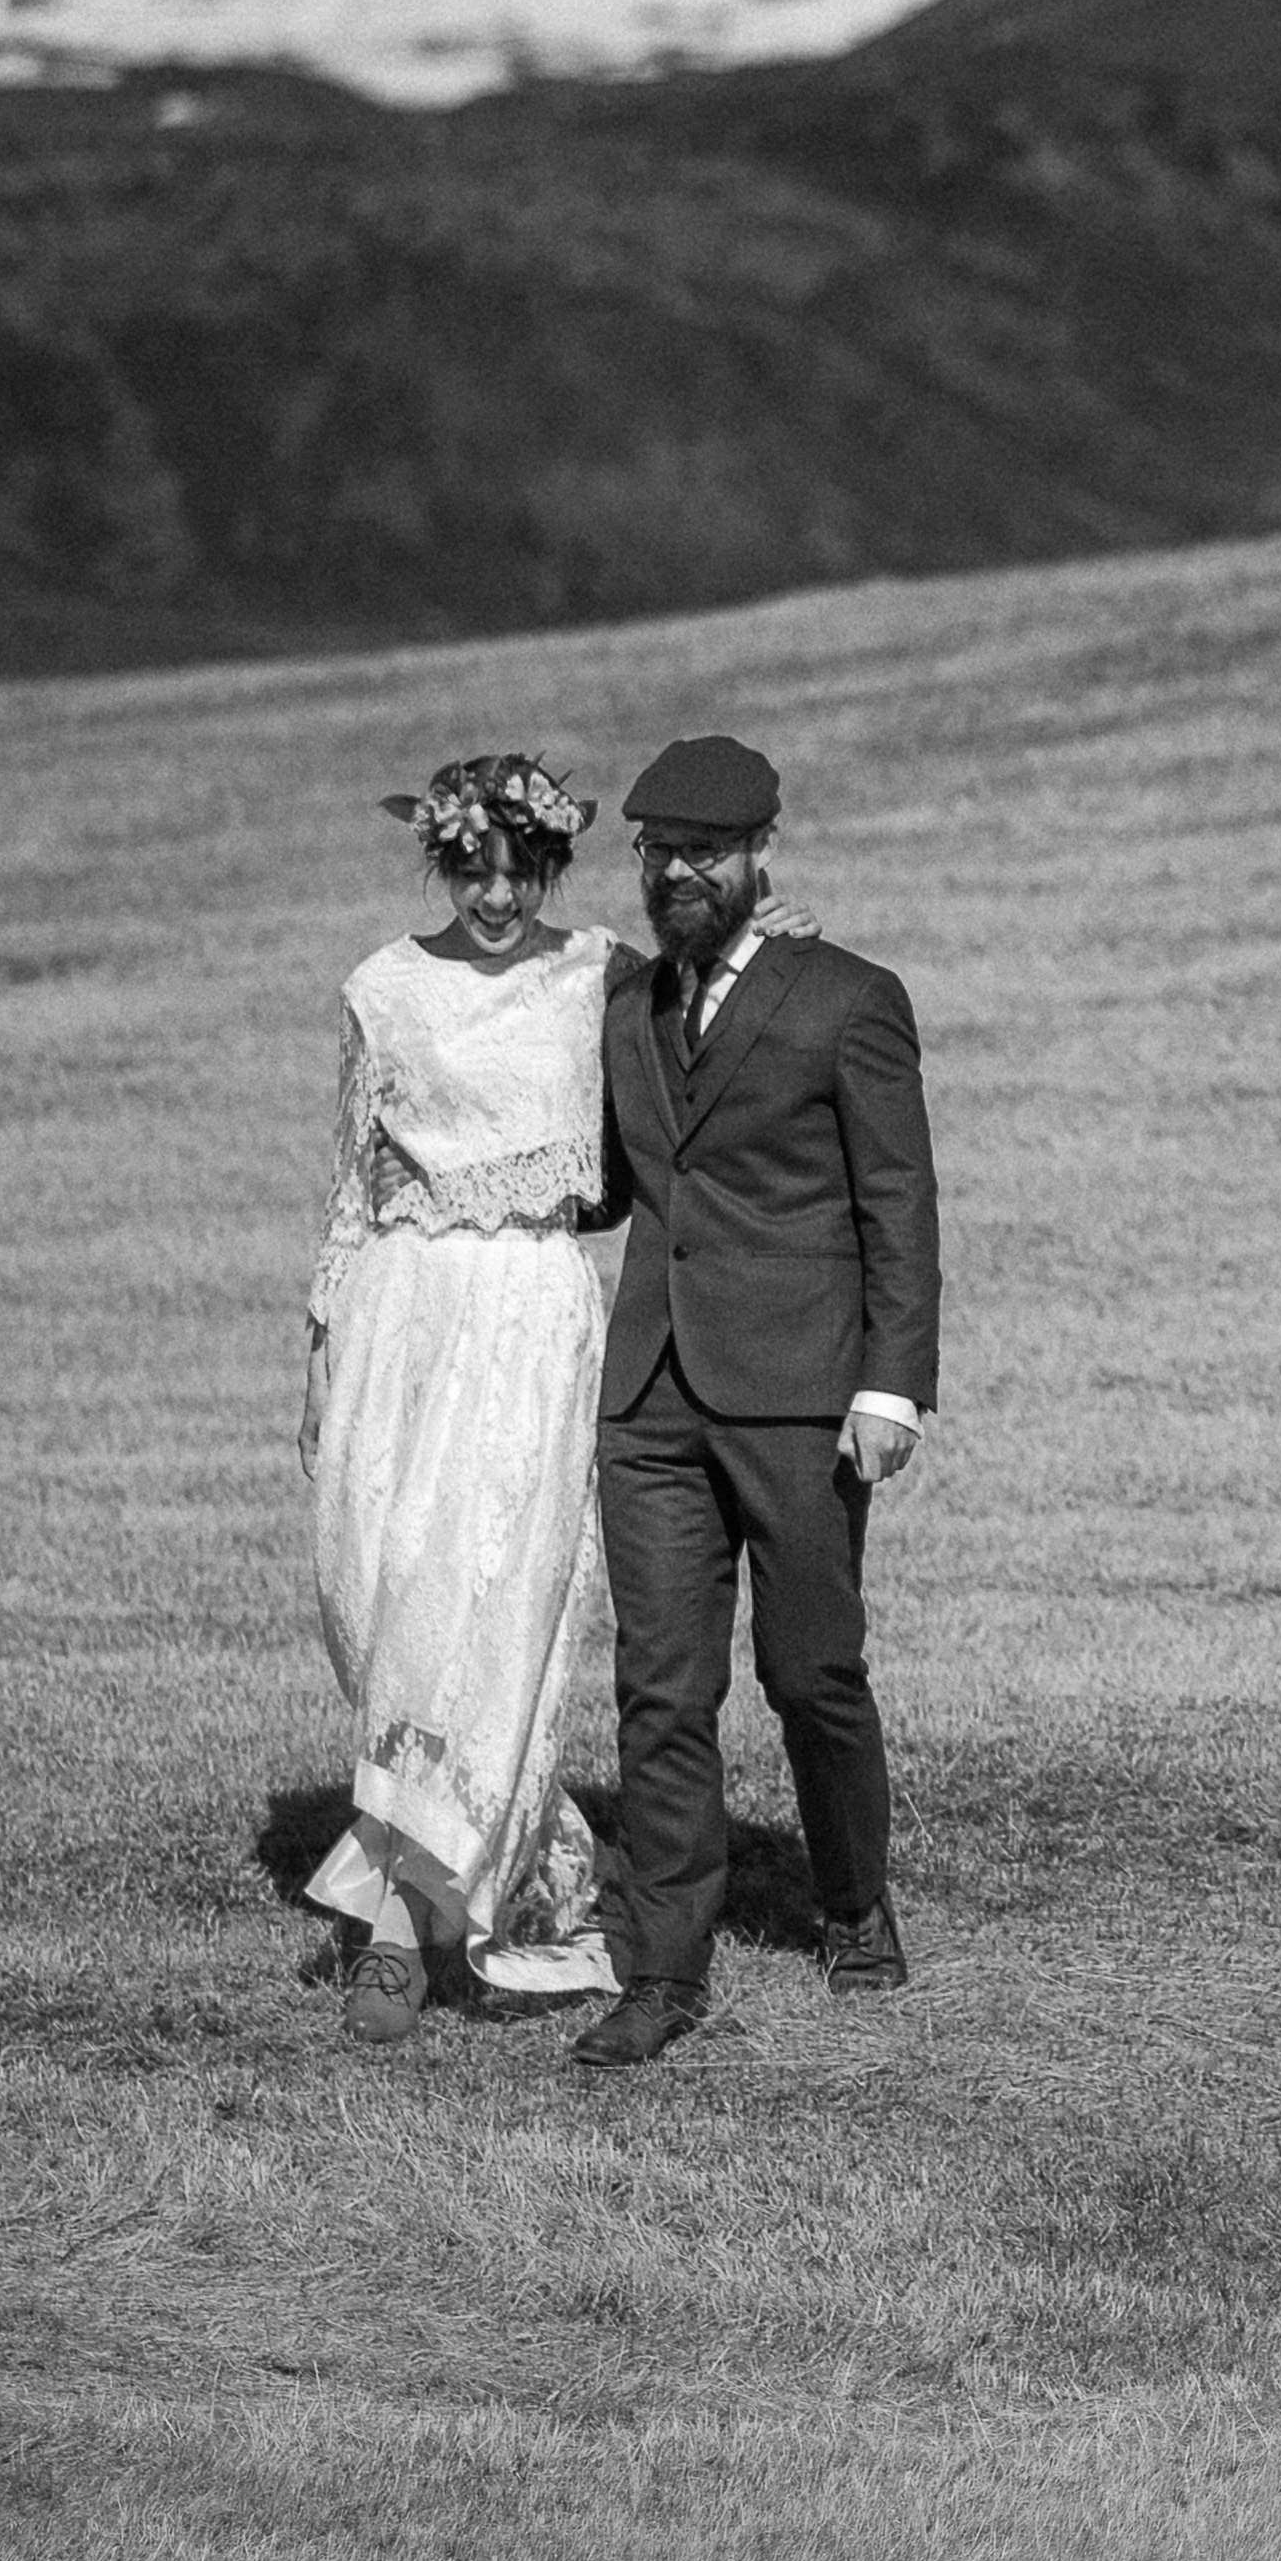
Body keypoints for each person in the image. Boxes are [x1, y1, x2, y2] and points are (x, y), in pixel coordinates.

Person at [298, 749, 814, 2048]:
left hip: (531, 1317)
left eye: (521, 869)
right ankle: (438, 1857)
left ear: (549, 864)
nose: (496, 894)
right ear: (442, 861)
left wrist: (786, 941)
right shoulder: (382, 988)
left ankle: (401, 1929)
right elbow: (355, 1180)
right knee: (383, 1594)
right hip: (399, 1316)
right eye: (471, 868)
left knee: (485, 1594)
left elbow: (715, 1001)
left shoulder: (599, 977)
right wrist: (319, 1343)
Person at [573, 734, 941, 2070]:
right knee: (660, 1693)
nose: (677, 873)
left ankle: (852, 1902)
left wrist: (892, 1384)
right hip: (652, 1396)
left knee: (811, 1674)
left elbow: (896, 1198)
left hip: (799, 1394)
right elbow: (611, 1182)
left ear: (761, 854)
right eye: (658, 853)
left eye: (704, 853)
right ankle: (666, 1973)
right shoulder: (620, 1005)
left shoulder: (848, 997)